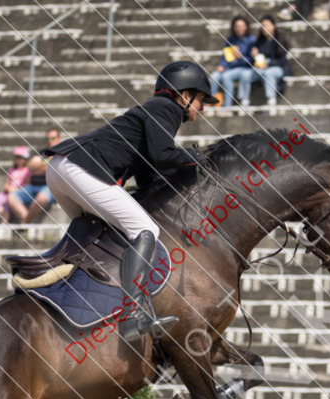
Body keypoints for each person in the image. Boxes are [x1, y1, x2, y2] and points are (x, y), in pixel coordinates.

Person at [44, 61, 215, 341]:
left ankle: (78, 298)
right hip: (81, 168)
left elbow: (150, 173)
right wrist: (196, 158)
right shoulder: (167, 108)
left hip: (61, 168)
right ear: (184, 95)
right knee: (146, 231)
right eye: (201, 99)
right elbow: (163, 155)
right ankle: (131, 315)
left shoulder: (153, 112)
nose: (203, 108)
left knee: (101, 235)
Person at [8, 130, 59, 224]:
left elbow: (54, 170)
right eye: (48, 138)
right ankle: (27, 221)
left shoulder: (61, 152)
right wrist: (45, 165)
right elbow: (30, 166)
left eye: (52, 138)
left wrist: (40, 165)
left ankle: (26, 223)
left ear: (59, 138)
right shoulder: (44, 152)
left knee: (41, 198)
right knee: (12, 197)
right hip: (33, 186)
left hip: (49, 186)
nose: (50, 141)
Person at [241, 16, 292, 108]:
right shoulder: (259, 42)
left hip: (277, 68)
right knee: (246, 75)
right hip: (261, 68)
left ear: (273, 26)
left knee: (268, 73)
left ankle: (271, 98)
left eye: (266, 25)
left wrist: (268, 64)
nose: (264, 28)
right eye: (262, 26)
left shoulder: (280, 41)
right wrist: (254, 55)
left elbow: (282, 60)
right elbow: (257, 60)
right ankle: (244, 99)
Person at [210, 16, 256, 107]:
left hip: (244, 68)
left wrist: (241, 57)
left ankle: (227, 107)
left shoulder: (252, 40)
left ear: (246, 27)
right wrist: (222, 65)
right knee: (214, 76)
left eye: (241, 26)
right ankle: (209, 103)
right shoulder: (230, 40)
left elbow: (253, 60)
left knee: (227, 76)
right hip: (229, 67)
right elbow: (224, 56)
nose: (239, 28)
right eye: (237, 26)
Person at [0, 146, 31, 226]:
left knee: (8, 203)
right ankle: (6, 217)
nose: (18, 159)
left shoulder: (27, 170)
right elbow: (7, 184)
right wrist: (9, 189)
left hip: (19, 192)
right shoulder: (12, 170)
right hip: (9, 191)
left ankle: (4, 223)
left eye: (20, 157)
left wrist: (15, 190)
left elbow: (27, 185)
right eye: (16, 157)